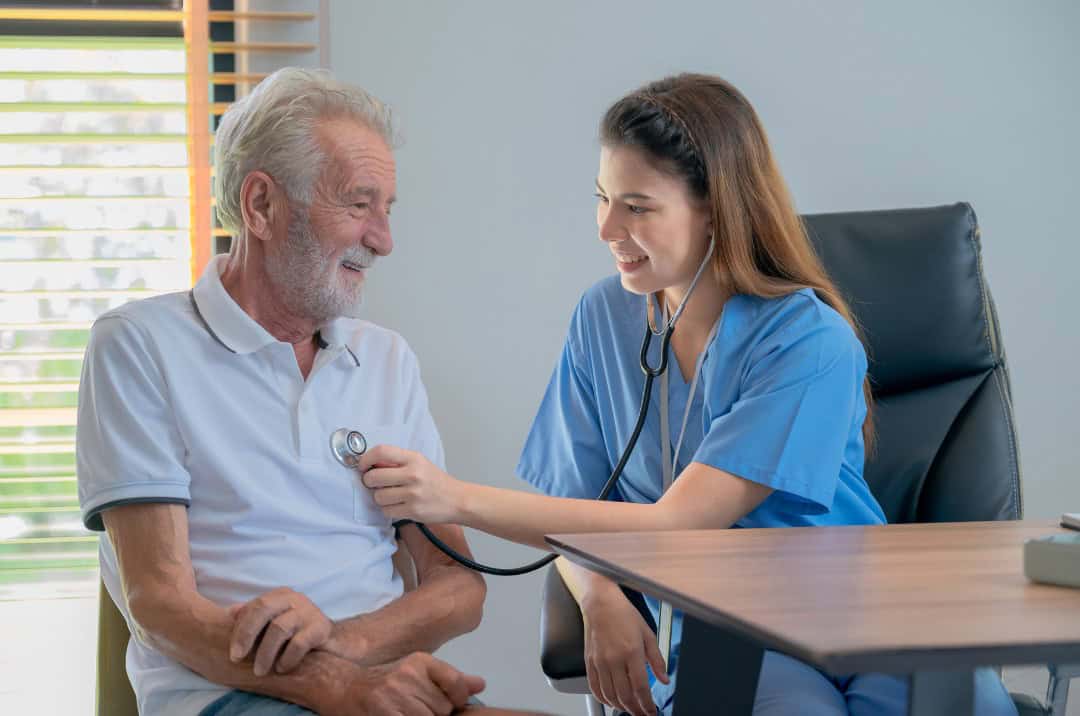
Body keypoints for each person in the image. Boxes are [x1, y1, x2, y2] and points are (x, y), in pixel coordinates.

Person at [354, 74, 1019, 716]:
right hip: (728, 627)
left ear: (716, 209)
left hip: (865, 617)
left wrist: (452, 497)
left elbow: (678, 525)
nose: (606, 228)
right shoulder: (602, 320)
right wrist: (599, 594)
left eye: (637, 206)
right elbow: (564, 504)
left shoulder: (809, 340)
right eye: (602, 197)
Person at [76, 68, 534, 716]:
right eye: (358, 203)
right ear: (261, 206)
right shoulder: (139, 345)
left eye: (387, 208)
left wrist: (346, 648)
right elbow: (160, 606)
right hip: (231, 697)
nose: (383, 238)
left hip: (383, 690)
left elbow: (458, 585)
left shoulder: (385, 361)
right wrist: (338, 685)